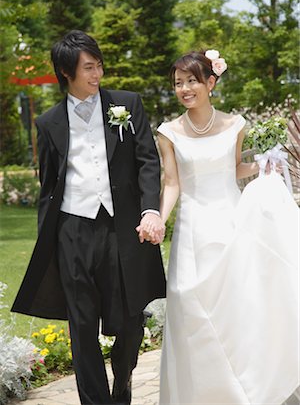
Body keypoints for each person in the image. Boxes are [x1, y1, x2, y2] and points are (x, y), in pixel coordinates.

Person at [11, 30, 166, 405]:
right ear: (67, 72)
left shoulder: (127, 104)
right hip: (72, 230)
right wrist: (49, 236)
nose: (97, 75)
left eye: (98, 66)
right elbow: (49, 183)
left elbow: (148, 160)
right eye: (89, 68)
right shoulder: (47, 123)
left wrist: (150, 209)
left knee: (131, 320)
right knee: (81, 327)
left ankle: (124, 375)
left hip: (121, 227)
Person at [156, 50, 299, 404]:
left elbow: (234, 169)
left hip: (231, 223)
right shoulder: (168, 132)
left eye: (191, 81)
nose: (184, 89)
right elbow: (172, 182)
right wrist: (158, 215)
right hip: (191, 231)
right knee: (188, 302)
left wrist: (263, 166)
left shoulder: (236, 124)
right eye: (177, 83)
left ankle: (244, 389)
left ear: (211, 82)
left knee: (236, 307)